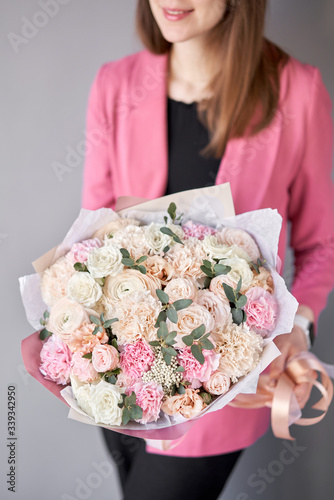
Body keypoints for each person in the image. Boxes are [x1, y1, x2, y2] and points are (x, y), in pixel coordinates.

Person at [81, 1, 334, 498]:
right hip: (116, 383)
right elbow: (93, 234)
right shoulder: (115, 84)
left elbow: (321, 245)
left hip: (222, 392)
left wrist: (298, 328)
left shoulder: (297, 91)